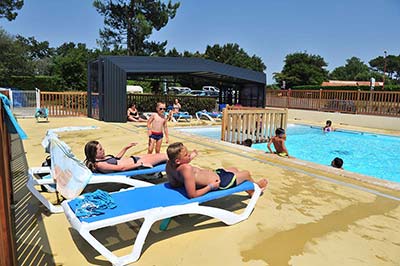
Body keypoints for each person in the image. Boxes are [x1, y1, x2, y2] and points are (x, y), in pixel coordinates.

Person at [166, 142, 268, 199]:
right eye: (186, 155)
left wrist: (187, 180)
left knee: (234, 169)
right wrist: (210, 187)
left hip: (216, 173)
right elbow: (192, 195)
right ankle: (256, 188)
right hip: (220, 182)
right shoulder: (186, 169)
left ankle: (250, 191)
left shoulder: (170, 164)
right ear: (178, 161)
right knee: (246, 174)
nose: (189, 155)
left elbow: (174, 183)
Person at [84, 140, 167, 173]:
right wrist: (139, 164)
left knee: (160, 156)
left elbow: (116, 159)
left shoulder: (102, 159)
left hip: (135, 159)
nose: (103, 150)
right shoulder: (100, 164)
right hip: (137, 163)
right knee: (164, 156)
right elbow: (121, 168)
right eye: (100, 149)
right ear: (93, 153)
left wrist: (126, 148)